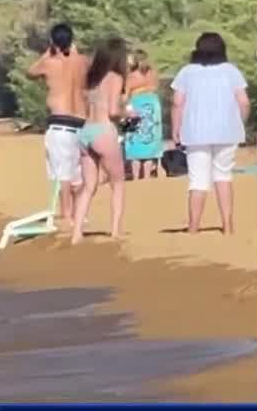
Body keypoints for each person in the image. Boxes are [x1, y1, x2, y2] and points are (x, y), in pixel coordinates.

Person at [170, 32, 251, 235]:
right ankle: (227, 225)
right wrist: (240, 122)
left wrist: (175, 128)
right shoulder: (231, 71)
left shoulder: (187, 72)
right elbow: (243, 102)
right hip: (227, 132)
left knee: (198, 179)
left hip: (195, 132)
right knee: (223, 176)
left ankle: (193, 227)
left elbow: (177, 103)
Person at [70, 37, 130, 245]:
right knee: (118, 182)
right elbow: (113, 110)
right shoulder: (114, 78)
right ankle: (115, 231)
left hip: (86, 129)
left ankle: (77, 232)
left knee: (88, 186)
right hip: (103, 130)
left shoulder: (91, 78)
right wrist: (129, 113)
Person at [28, 23, 89, 227]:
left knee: (63, 174)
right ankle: (79, 213)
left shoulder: (50, 63)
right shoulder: (82, 62)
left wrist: (47, 53)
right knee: (78, 172)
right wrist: (74, 53)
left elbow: (31, 71)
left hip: (60, 123)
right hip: (81, 123)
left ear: (53, 42)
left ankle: (67, 215)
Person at [123, 49, 163, 179]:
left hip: (136, 105)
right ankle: (147, 176)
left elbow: (125, 95)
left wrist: (127, 109)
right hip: (153, 105)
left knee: (134, 141)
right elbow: (156, 87)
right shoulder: (153, 73)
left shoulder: (131, 76)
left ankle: (135, 176)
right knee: (150, 141)